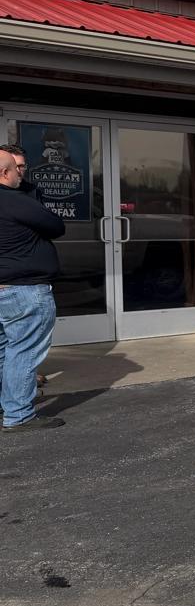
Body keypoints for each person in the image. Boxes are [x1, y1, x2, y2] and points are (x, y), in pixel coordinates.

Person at [0, 146, 66, 432]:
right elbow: (55, 225)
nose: (20, 175)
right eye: (16, 169)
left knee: (5, 350)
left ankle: (8, 407)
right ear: (5, 173)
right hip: (24, 290)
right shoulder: (14, 199)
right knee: (23, 352)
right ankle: (18, 415)